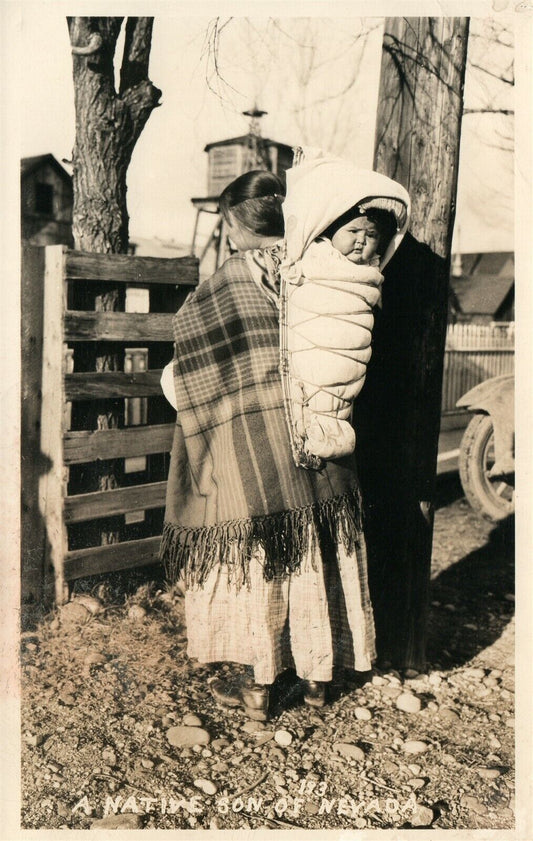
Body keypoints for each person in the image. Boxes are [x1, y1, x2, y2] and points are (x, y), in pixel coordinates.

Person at [159, 159, 402, 722]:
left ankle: (259, 689)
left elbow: (191, 376)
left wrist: (172, 384)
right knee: (319, 560)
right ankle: (319, 681)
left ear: (234, 224)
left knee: (264, 566)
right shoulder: (321, 267)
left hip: (257, 457)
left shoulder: (224, 285)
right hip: (325, 449)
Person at [279, 149, 410, 469]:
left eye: (372, 235)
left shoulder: (370, 276)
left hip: (350, 345)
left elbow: (358, 324)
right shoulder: (316, 259)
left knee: (342, 376)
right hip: (315, 338)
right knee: (318, 374)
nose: (362, 241)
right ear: (330, 230)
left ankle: (330, 422)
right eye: (353, 232)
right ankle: (319, 421)